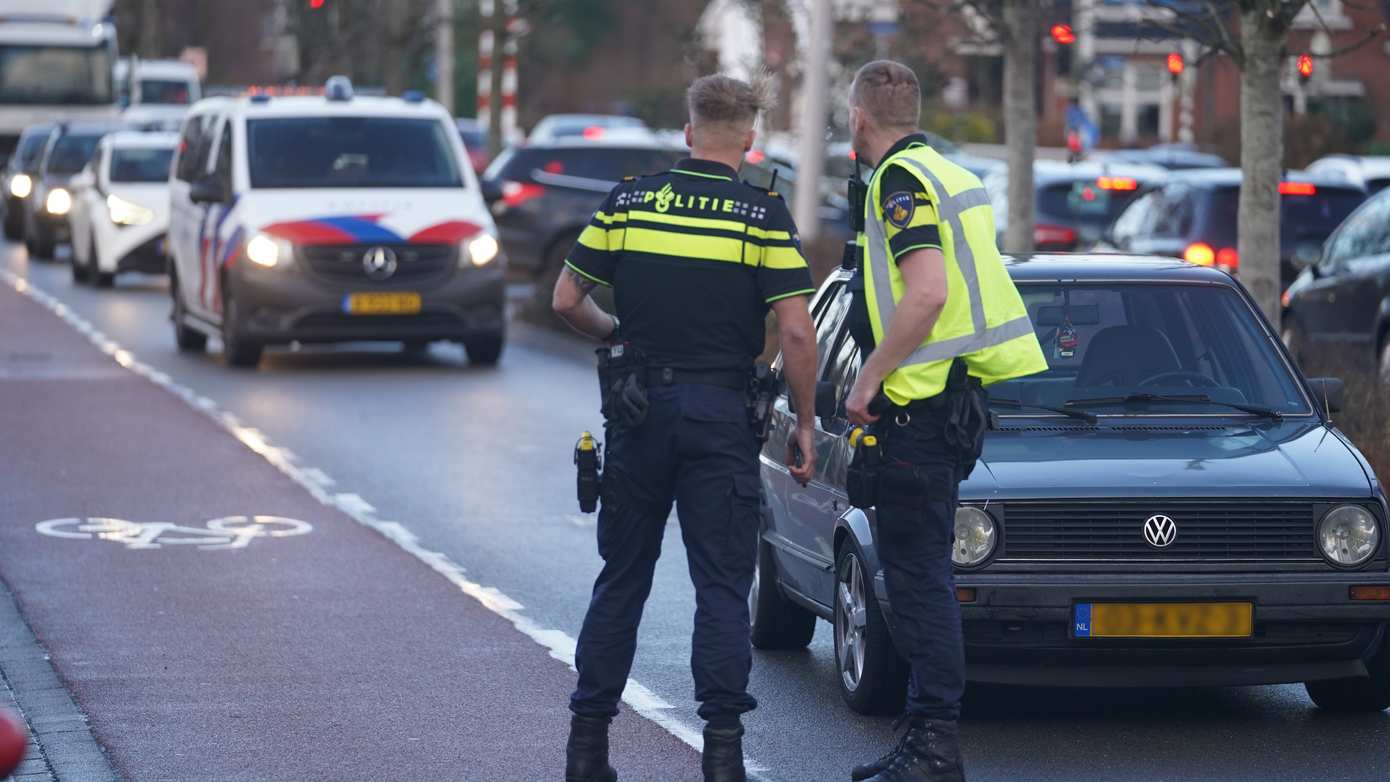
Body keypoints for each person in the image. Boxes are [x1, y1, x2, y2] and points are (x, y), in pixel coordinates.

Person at [552, 74, 819, 782]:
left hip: (639, 416)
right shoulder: (760, 216)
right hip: (722, 418)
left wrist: (618, 336)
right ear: (751, 139)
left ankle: (587, 751)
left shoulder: (632, 200)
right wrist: (807, 424)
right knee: (722, 589)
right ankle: (723, 758)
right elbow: (795, 330)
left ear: (689, 130)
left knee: (622, 580)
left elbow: (566, 298)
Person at [840, 61, 1048, 782]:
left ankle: (934, 748)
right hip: (948, 405)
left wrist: (869, 378)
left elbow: (926, 292)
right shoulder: (948, 173)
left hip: (916, 412)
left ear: (859, 118)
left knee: (920, 581)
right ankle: (926, 738)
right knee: (921, 575)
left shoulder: (901, 183)